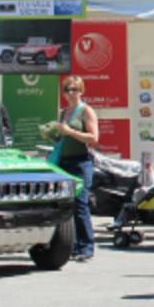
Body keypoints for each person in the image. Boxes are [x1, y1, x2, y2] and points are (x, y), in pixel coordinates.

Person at [52, 76, 99, 262]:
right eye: (67, 90)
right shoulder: (63, 112)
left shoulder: (86, 111)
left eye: (74, 89)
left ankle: (86, 246)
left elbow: (94, 138)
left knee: (80, 203)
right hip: (63, 162)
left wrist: (70, 132)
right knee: (65, 204)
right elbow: (61, 137)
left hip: (81, 162)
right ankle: (70, 245)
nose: (70, 93)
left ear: (81, 91)